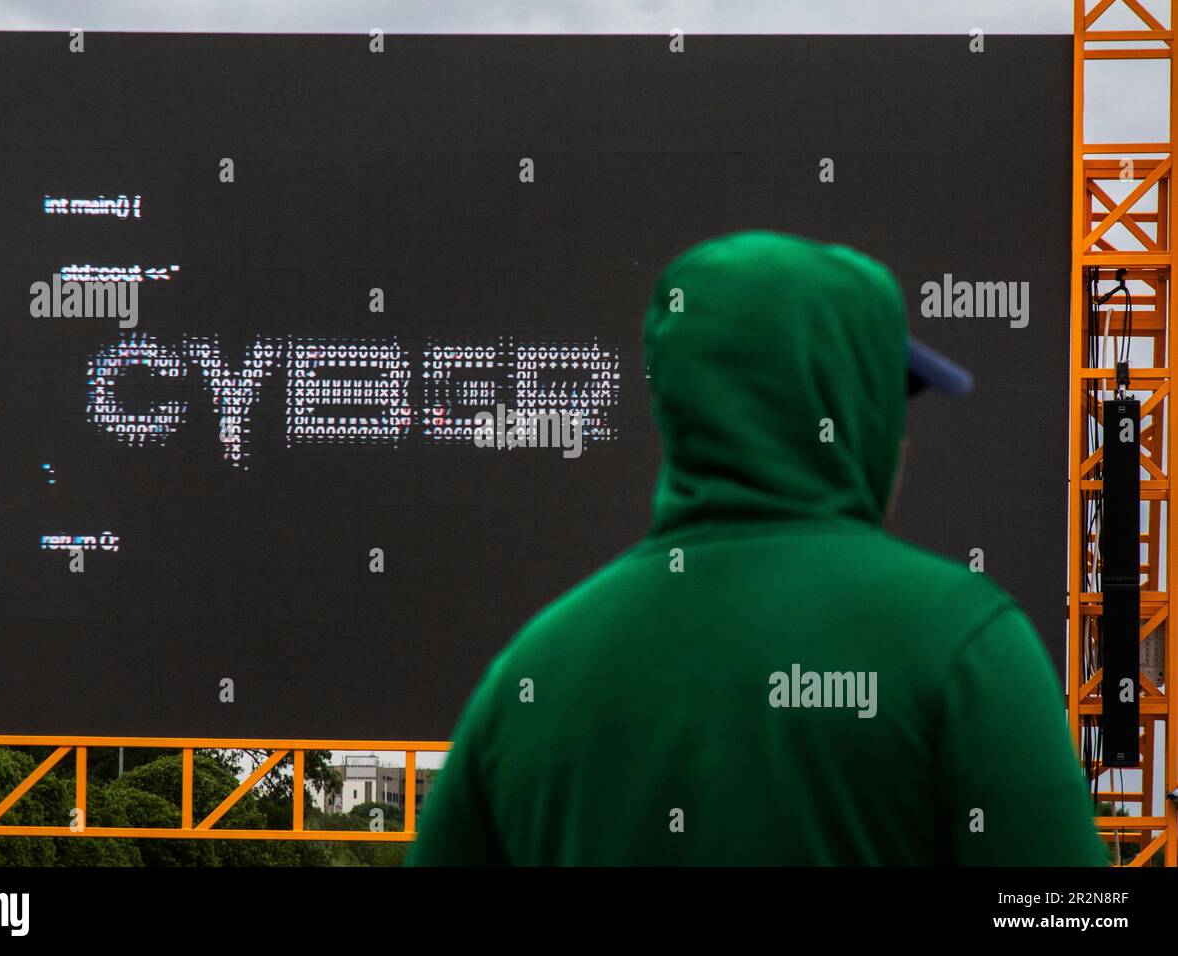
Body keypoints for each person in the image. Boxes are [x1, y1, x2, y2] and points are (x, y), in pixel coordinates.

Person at [407, 231, 1104, 866]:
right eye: (891, 402)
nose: (903, 443)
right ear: (853, 415)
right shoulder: (966, 644)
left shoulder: (529, 676)